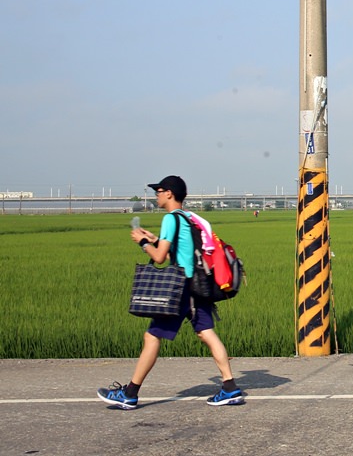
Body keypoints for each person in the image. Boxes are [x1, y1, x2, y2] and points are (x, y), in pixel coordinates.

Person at [98, 175, 246, 409]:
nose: (156, 195)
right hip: (198, 287)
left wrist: (142, 242)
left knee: (152, 336)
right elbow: (173, 253)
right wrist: (154, 239)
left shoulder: (170, 218)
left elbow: (159, 258)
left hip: (181, 288)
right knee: (206, 333)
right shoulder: (189, 218)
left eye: (159, 191)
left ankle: (130, 393)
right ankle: (229, 387)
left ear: (169, 194)